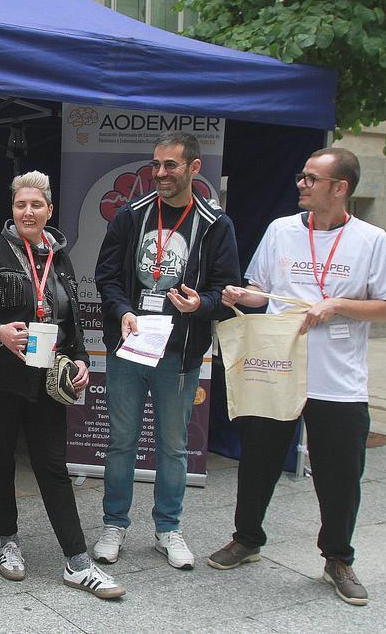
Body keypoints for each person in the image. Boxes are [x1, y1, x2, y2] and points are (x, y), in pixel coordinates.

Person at [207, 147, 386, 606]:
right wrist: (242, 293)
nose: (301, 184)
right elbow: (261, 292)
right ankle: (247, 539)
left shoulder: (370, 239)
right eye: (301, 176)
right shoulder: (280, 231)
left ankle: (337, 558)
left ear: (341, 188)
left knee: (339, 472)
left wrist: (337, 305)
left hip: (338, 379)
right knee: (258, 460)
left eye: (312, 179)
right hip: (277, 369)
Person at [0, 171, 124, 599]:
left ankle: (77, 561)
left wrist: (84, 361)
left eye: (36, 205)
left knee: (52, 465)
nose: (27, 212)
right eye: (20, 205)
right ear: (11, 210)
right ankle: (8, 542)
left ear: (49, 210)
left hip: (48, 380)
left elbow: (71, 322)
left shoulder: (60, 257)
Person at [92, 131, 240, 569]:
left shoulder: (216, 225)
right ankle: (113, 524)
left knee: (173, 446)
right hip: (129, 348)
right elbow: (107, 277)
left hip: (178, 354)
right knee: (121, 442)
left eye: (170, 166)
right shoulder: (131, 215)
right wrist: (121, 310)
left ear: (194, 168)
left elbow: (225, 291)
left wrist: (202, 305)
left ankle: (168, 528)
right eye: (156, 165)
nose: (160, 173)